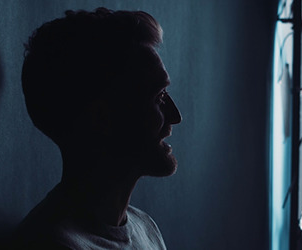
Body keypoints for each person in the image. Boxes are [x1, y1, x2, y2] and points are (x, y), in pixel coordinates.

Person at [13, 7, 181, 249]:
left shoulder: (145, 228)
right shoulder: (50, 243)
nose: (175, 116)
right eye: (158, 96)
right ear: (102, 118)